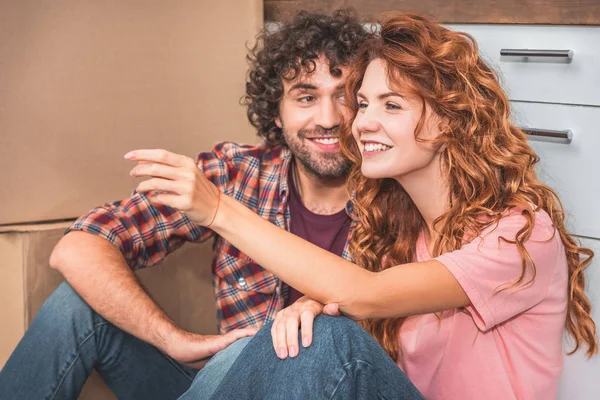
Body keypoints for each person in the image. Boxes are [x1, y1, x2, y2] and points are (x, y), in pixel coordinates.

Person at [125, 12, 598, 399]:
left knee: (330, 341)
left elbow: (364, 293)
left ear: (451, 121)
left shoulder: (520, 235)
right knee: (300, 335)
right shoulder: (403, 235)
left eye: (391, 106)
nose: (362, 123)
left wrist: (217, 210)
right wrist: (311, 307)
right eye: (365, 104)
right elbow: (362, 301)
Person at [0, 10, 370, 400]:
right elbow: (78, 247)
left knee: (297, 338)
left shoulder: (395, 198)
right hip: (223, 386)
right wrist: (172, 339)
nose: (329, 119)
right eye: (306, 97)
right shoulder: (235, 173)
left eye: (345, 96)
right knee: (74, 306)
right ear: (277, 113)